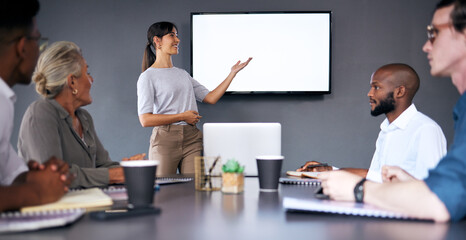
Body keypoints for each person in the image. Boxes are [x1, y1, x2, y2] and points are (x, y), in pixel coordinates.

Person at [319, 0, 466, 222]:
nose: (427, 46)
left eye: (434, 33)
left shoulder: (426, 129)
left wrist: (359, 190)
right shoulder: (461, 110)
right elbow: (452, 187)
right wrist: (411, 183)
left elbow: (443, 199)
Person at [18, 41, 145, 189]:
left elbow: (102, 166)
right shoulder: (41, 113)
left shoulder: (84, 118)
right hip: (55, 209)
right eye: (87, 72)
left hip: (87, 206)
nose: (91, 80)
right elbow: (54, 177)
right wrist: (114, 175)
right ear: (72, 81)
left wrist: (128, 169)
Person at [299, 63, 447, 182]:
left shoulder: (426, 129)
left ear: (400, 92)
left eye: (376, 87)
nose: (370, 93)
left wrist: (336, 172)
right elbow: (375, 179)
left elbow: (432, 189)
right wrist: (329, 170)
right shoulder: (387, 130)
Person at [137, 22, 252, 175]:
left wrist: (232, 73)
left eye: (177, 35)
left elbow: (210, 98)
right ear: (157, 41)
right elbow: (145, 120)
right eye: (172, 35)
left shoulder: (183, 74)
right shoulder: (147, 77)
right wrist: (182, 116)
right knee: (164, 191)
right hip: (165, 140)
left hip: (192, 139)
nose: (177, 40)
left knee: (193, 190)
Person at [0, 0, 71, 211]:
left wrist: (36, 177)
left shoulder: (5, 100)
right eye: (38, 42)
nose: (39, 52)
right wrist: (36, 192)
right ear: (22, 47)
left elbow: (10, 174)